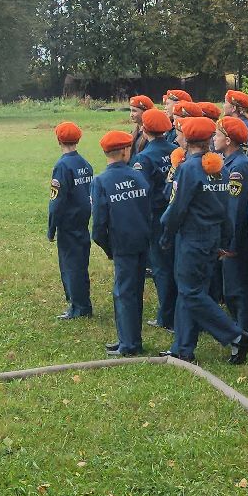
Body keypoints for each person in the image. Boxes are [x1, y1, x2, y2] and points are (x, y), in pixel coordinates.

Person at [159, 116, 248, 364]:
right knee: (192, 292)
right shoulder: (221, 169)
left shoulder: (188, 169)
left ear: (188, 140)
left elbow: (177, 208)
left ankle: (237, 336)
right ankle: (183, 348)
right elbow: (227, 210)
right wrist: (225, 240)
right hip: (213, 238)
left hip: (192, 239)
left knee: (191, 292)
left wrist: (166, 234)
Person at [91, 129, 151, 356]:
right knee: (135, 291)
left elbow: (99, 224)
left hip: (121, 244)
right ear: (126, 151)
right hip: (141, 241)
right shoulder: (138, 176)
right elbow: (147, 211)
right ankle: (131, 338)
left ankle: (129, 344)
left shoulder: (101, 181)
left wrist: (109, 247)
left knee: (124, 293)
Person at [132, 109, 178, 332]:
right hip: (174, 212)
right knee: (174, 262)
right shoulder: (175, 150)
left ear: (144, 129)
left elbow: (141, 192)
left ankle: (166, 316)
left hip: (155, 215)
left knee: (160, 266)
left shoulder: (144, 157)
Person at [215, 115, 248, 336]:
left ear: (228, 140)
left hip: (237, 239)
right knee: (232, 286)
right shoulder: (231, 162)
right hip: (234, 236)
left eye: (217, 135)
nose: (214, 139)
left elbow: (235, 208)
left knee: (237, 287)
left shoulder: (237, 167)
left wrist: (229, 243)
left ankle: (245, 332)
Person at [48, 121, 95, 320]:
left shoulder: (62, 166)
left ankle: (79, 307)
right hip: (82, 221)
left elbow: (56, 202)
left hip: (68, 223)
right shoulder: (85, 164)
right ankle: (83, 302)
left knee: (70, 265)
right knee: (81, 263)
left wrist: (51, 228)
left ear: (58, 140)